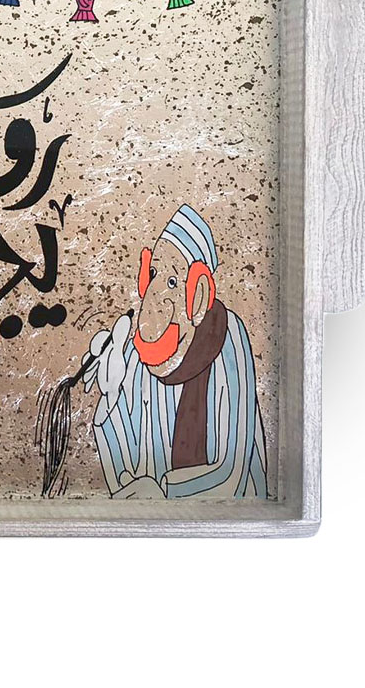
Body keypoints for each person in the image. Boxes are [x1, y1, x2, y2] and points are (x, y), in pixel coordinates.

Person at [84, 204, 267, 499]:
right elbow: (122, 465)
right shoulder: (138, 351)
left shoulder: (226, 335)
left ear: (199, 295)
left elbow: (232, 471)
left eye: (172, 282)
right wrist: (110, 396)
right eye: (153, 273)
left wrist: (165, 493)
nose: (155, 295)